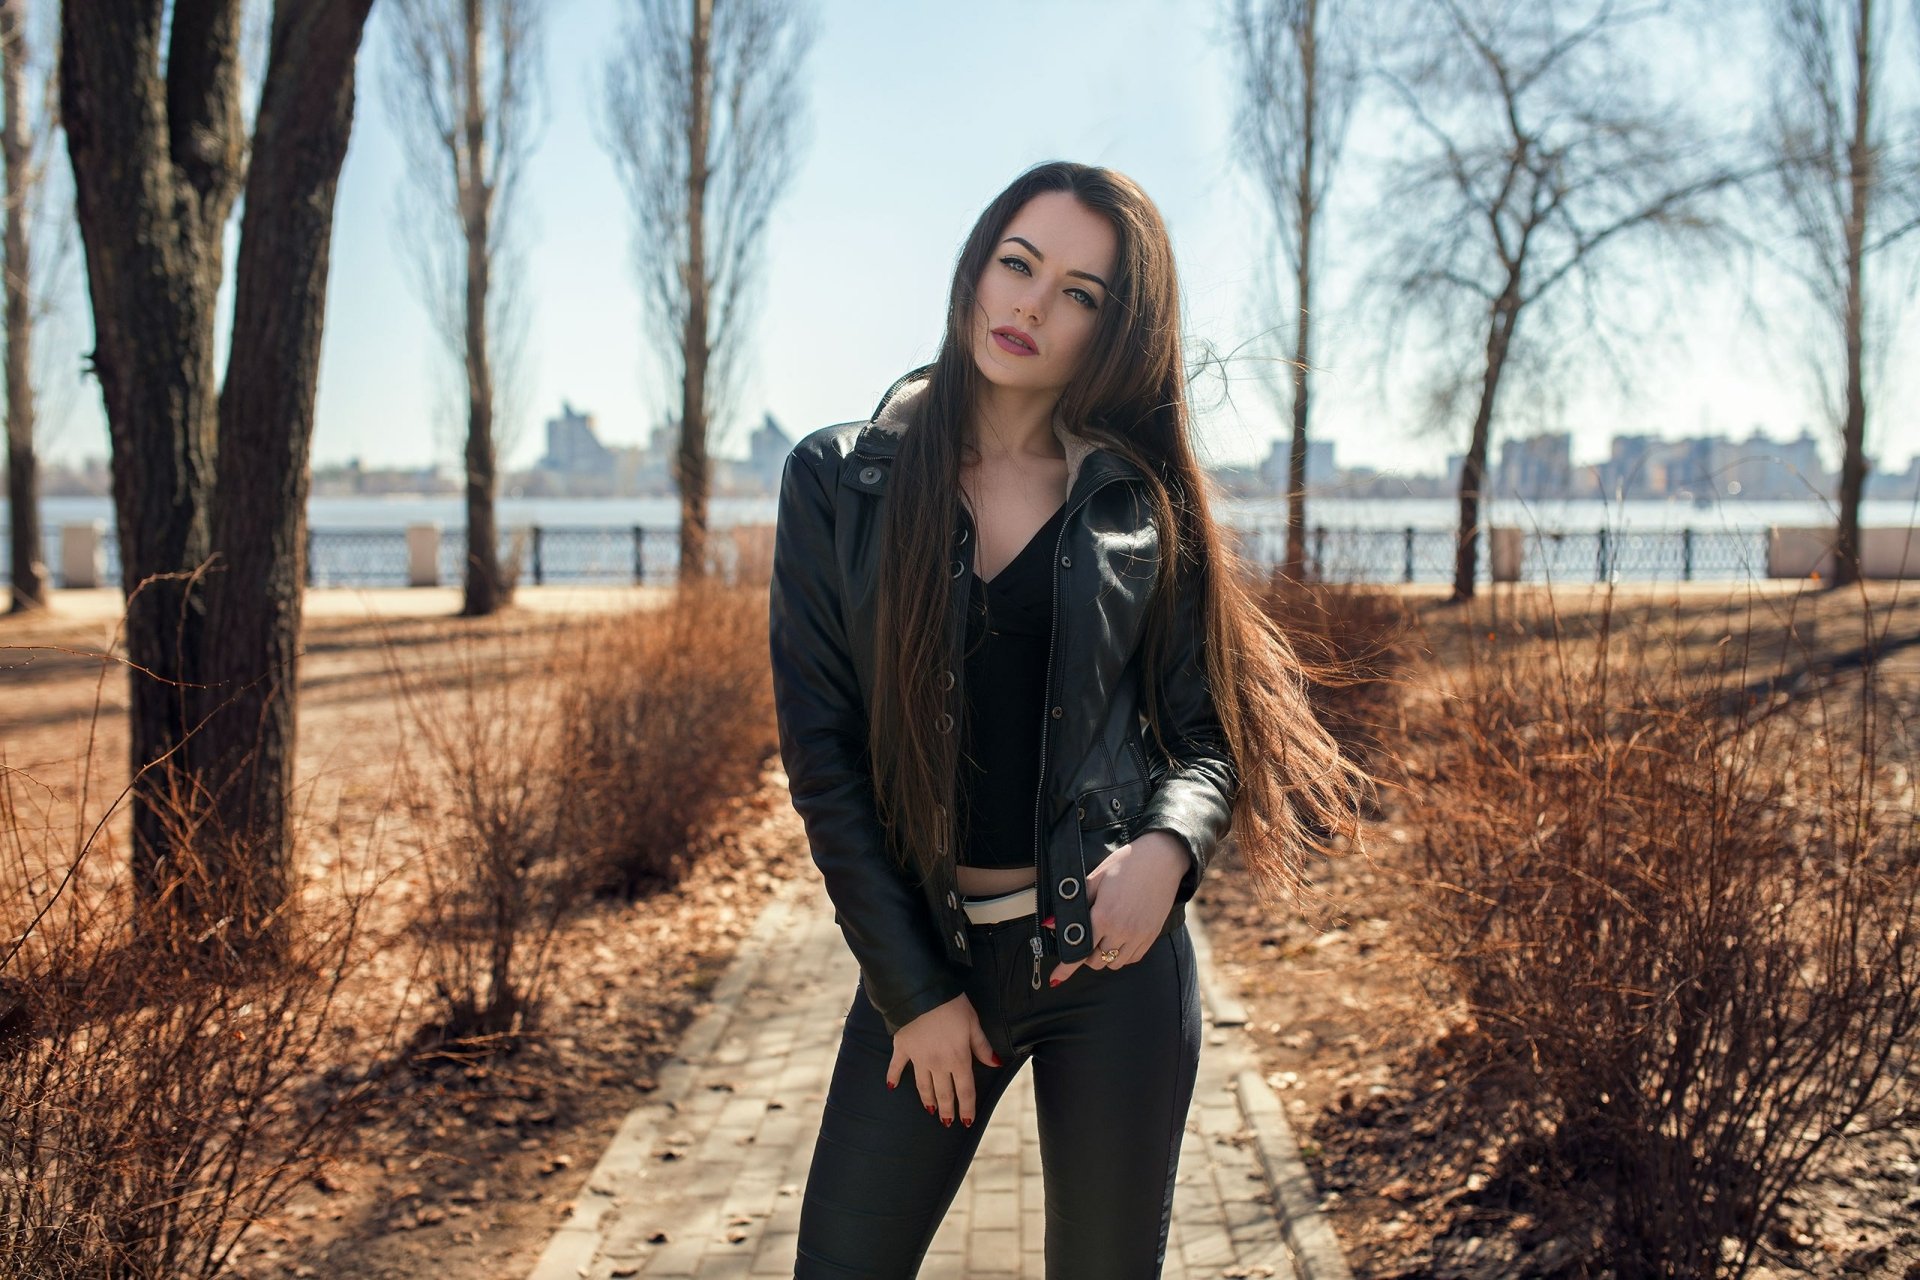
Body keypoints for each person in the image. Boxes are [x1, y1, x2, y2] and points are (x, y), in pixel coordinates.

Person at [768, 160, 1367, 1279]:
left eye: (1079, 293)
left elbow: (1205, 737)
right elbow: (825, 762)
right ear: (976, 268)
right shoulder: (840, 481)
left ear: (1114, 329)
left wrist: (1169, 847)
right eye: (1019, 264)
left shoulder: (1138, 501)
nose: (1032, 306)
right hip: (933, 961)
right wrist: (916, 995)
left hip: (1115, 969)